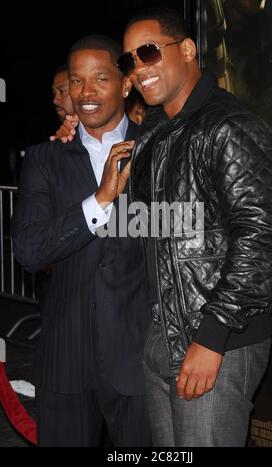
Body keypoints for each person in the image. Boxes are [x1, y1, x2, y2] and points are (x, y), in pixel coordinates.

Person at [117, 7, 272, 447]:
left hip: (217, 339)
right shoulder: (156, 132)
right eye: (128, 61)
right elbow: (155, 230)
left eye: (149, 53)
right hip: (164, 333)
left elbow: (261, 240)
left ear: (188, 49)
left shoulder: (230, 126)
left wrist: (211, 337)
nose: (138, 69)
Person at [12, 35, 151, 447]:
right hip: (66, 360)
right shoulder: (45, 159)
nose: (86, 93)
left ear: (125, 85)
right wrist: (100, 200)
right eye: (76, 81)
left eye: (100, 79)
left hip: (140, 361)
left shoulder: (159, 147)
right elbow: (29, 250)